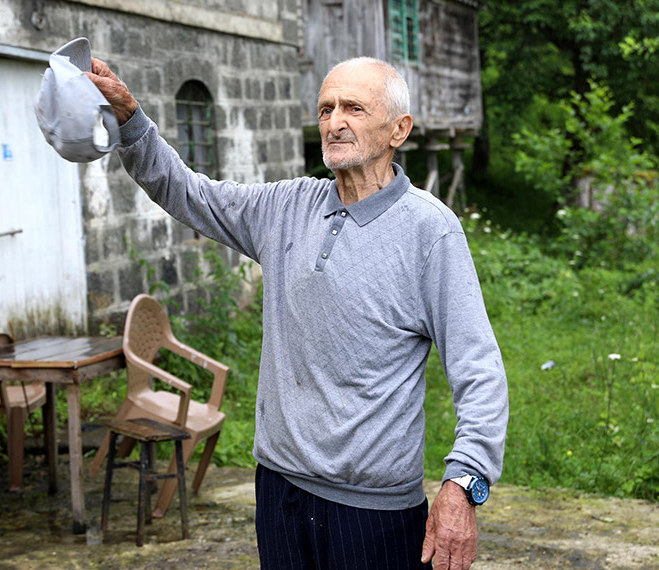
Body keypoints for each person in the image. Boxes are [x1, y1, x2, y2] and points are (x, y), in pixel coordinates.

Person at [85, 56, 508, 570]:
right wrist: (131, 119)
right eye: (326, 109)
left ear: (399, 129)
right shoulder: (287, 206)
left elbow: (478, 369)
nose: (334, 121)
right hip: (280, 490)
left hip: (372, 511)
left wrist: (463, 485)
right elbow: (185, 190)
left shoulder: (429, 230)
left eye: (353, 107)